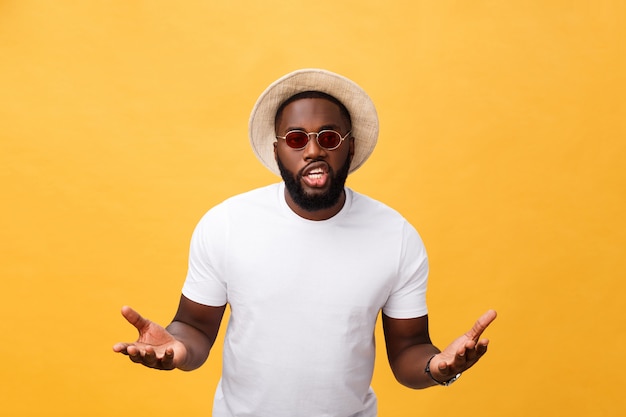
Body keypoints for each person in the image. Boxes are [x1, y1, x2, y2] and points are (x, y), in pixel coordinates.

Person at [113, 68, 497, 416]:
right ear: (277, 149)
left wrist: (439, 368)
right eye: (297, 139)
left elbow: (409, 350)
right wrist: (175, 350)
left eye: (328, 137)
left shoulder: (395, 237)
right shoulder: (227, 224)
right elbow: (194, 328)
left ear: (349, 145)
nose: (313, 150)